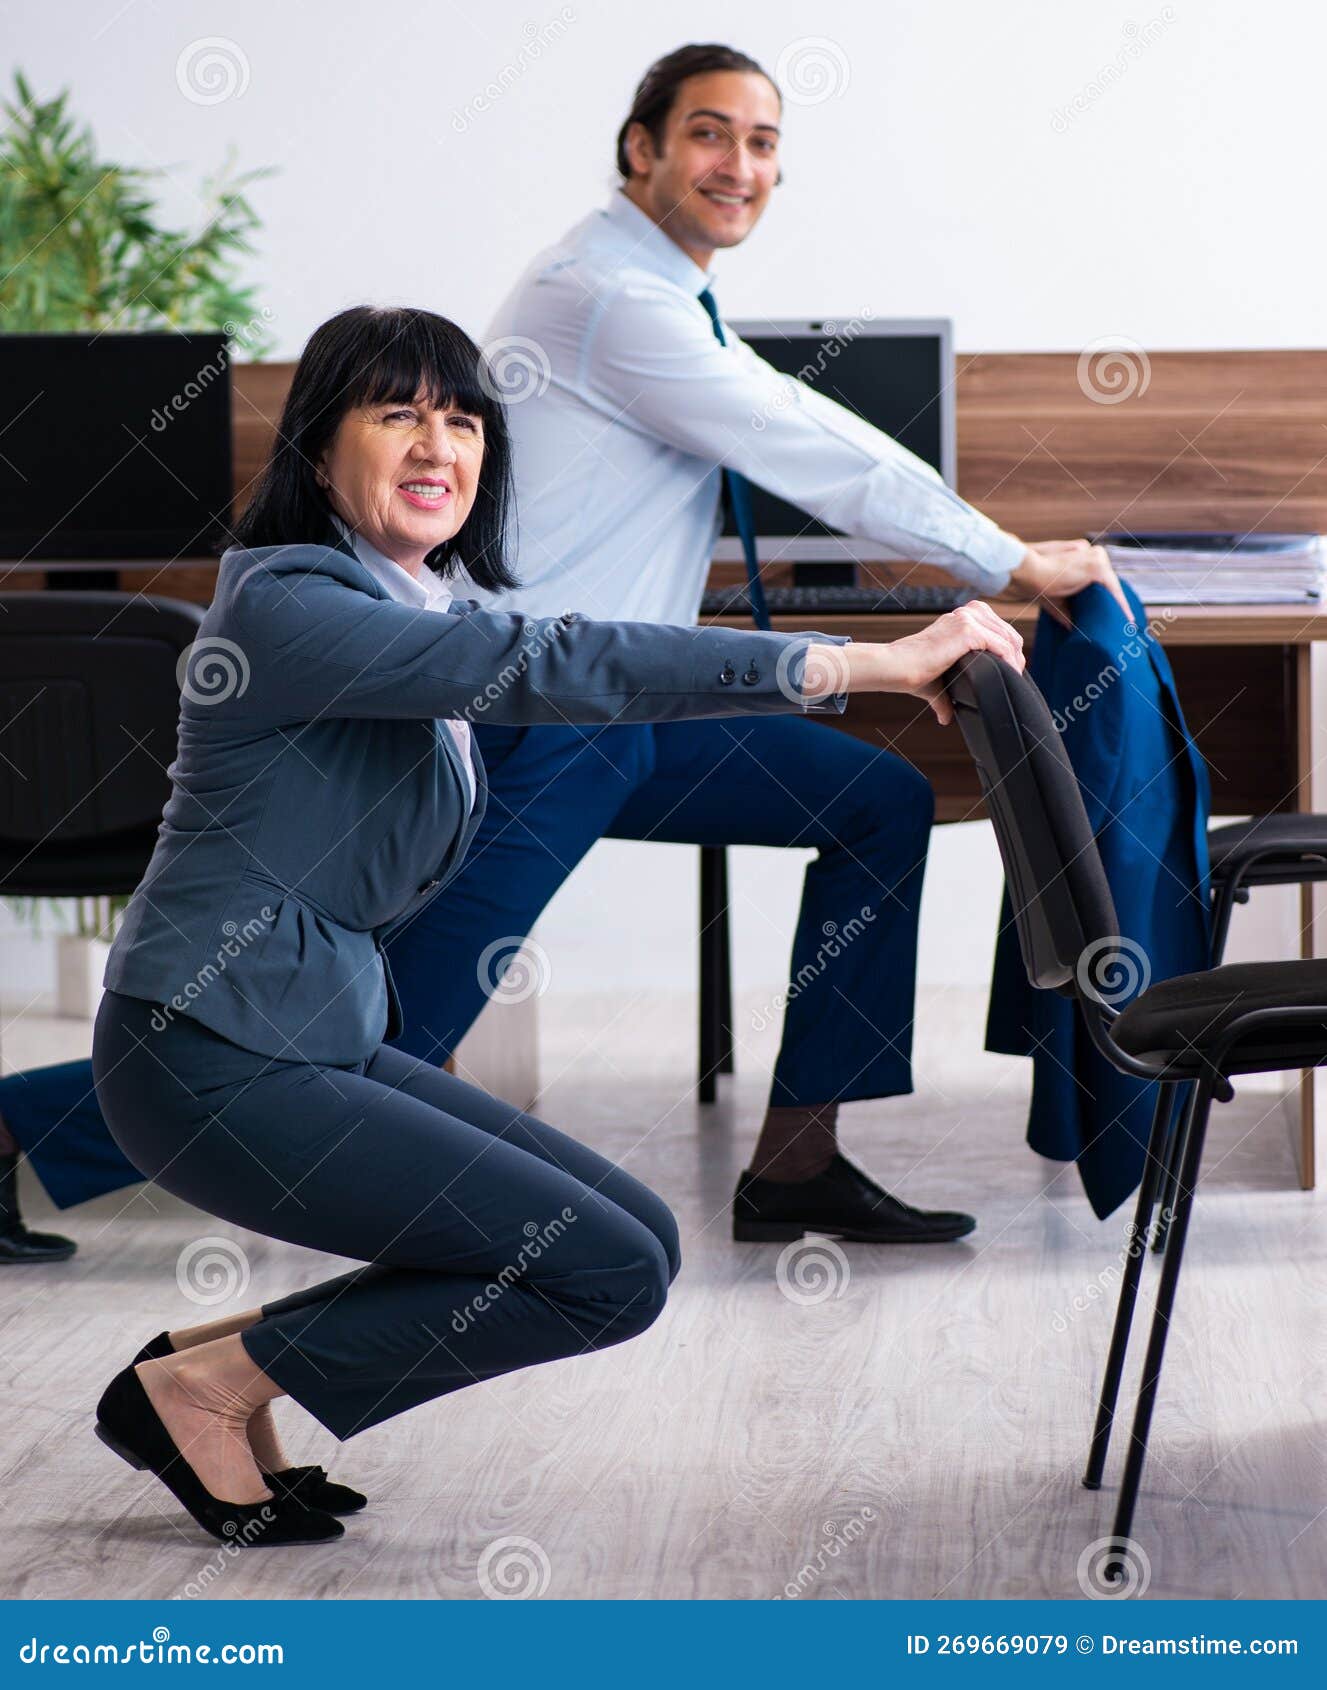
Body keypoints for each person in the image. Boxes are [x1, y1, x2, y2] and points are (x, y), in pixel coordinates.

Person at [89, 304, 1027, 1548]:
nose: (438, 446)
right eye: (398, 414)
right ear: (317, 447)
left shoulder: (411, 600)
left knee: (639, 1239)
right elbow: (555, 662)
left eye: (464, 421)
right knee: (602, 1270)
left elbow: (546, 667)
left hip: (311, 1035)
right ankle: (207, 1390)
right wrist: (860, 663)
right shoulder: (292, 603)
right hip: (209, 1053)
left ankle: (208, 1372)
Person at [381, 42, 1130, 1245]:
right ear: (642, 149)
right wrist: (1010, 562)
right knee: (372, 1048)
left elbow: (781, 416)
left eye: (763, 141)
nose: (739, 164)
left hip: (623, 708)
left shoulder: (663, 295)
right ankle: (64, 1133)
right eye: (709, 133)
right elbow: (802, 440)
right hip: (547, 714)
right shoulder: (609, 298)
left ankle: (794, 1165)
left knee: (877, 803)